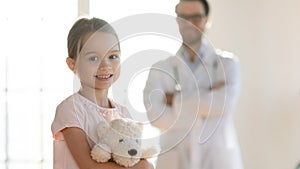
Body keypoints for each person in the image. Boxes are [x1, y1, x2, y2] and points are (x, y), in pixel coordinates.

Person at [143, 0, 244, 169]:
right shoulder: (160, 69)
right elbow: (156, 116)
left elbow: (225, 105)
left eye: (196, 17)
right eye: (184, 17)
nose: (190, 23)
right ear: (177, 20)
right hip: (174, 161)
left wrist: (174, 100)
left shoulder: (227, 65)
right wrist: (207, 98)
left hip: (218, 160)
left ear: (207, 20)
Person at [51, 17, 154, 169]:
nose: (105, 66)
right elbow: (88, 166)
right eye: (93, 58)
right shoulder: (71, 110)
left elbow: (132, 157)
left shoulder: (123, 114)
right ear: (72, 64)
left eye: (113, 56)